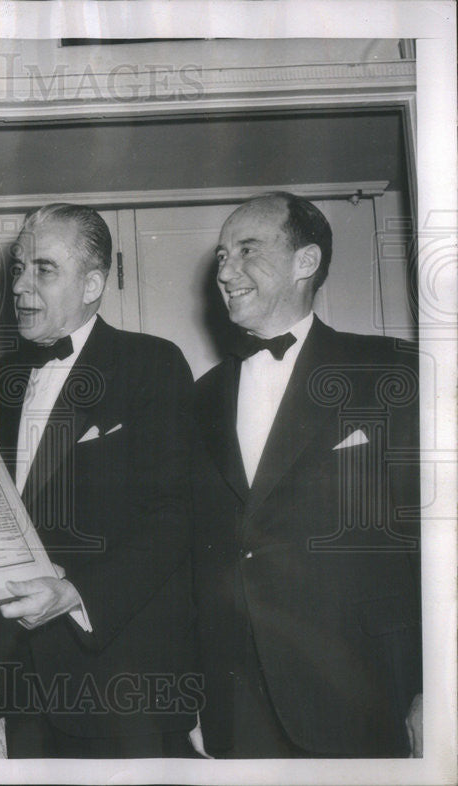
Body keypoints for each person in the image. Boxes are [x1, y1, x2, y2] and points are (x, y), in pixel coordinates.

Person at [192, 192, 422, 757]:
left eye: (247, 249)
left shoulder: (391, 369)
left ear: (306, 262)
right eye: (221, 255)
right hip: (235, 701)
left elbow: (434, 540)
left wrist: (432, 688)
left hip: (363, 691)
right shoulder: (202, 397)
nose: (225, 271)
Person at [0, 203, 198, 757]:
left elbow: (174, 515)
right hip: (22, 685)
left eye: (43, 269)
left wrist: (77, 593)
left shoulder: (152, 363)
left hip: (123, 682)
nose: (22, 288)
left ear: (93, 283)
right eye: (18, 269)